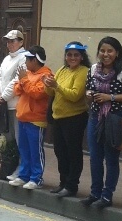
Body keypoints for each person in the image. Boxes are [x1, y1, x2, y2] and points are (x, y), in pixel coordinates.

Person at [82, 36, 122, 209]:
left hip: (115, 118)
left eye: (110, 51)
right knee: (95, 158)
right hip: (96, 117)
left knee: (111, 159)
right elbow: (88, 88)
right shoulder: (93, 70)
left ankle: (107, 195)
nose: (106, 54)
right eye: (102, 51)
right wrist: (90, 94)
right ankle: (95, 193)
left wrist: (109, 97)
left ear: (117, 53)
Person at [44, 42, 90, 198]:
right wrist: (48, 84)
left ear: (82, 57)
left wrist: (56, 85)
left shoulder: (83, 71)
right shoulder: (62, 70)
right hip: (59, 117)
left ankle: (71, 186)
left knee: (73, 152)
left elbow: (75, 95)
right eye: (69, 55)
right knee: (60, 151)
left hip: (75, 118)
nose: (72, 58)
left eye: (76, 55)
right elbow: (51, 92)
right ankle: (63, 182)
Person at [8, 45, 52, 190]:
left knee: (35, 150)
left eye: (28, 59)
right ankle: (23, 175)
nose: (25, 62)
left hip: (36, 119)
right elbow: (17, 89)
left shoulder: (46, 75)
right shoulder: (27, 74)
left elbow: (37, 93)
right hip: (23, 116)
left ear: (35, 60)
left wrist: (24, 81)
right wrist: (23, 82)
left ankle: (36, 178)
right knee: (24, 149)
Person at [0, 30, 27, 181]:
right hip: (4, 104)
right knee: (7, 139)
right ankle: (6, 168)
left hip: (16, 104)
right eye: (8, 41)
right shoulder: (7, 58)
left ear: (21, 42)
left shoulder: (24, 57)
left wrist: (4, 96)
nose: (10, 44)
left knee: (19, 139)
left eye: (13, 41)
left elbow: (17, 81)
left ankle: (20, 170)